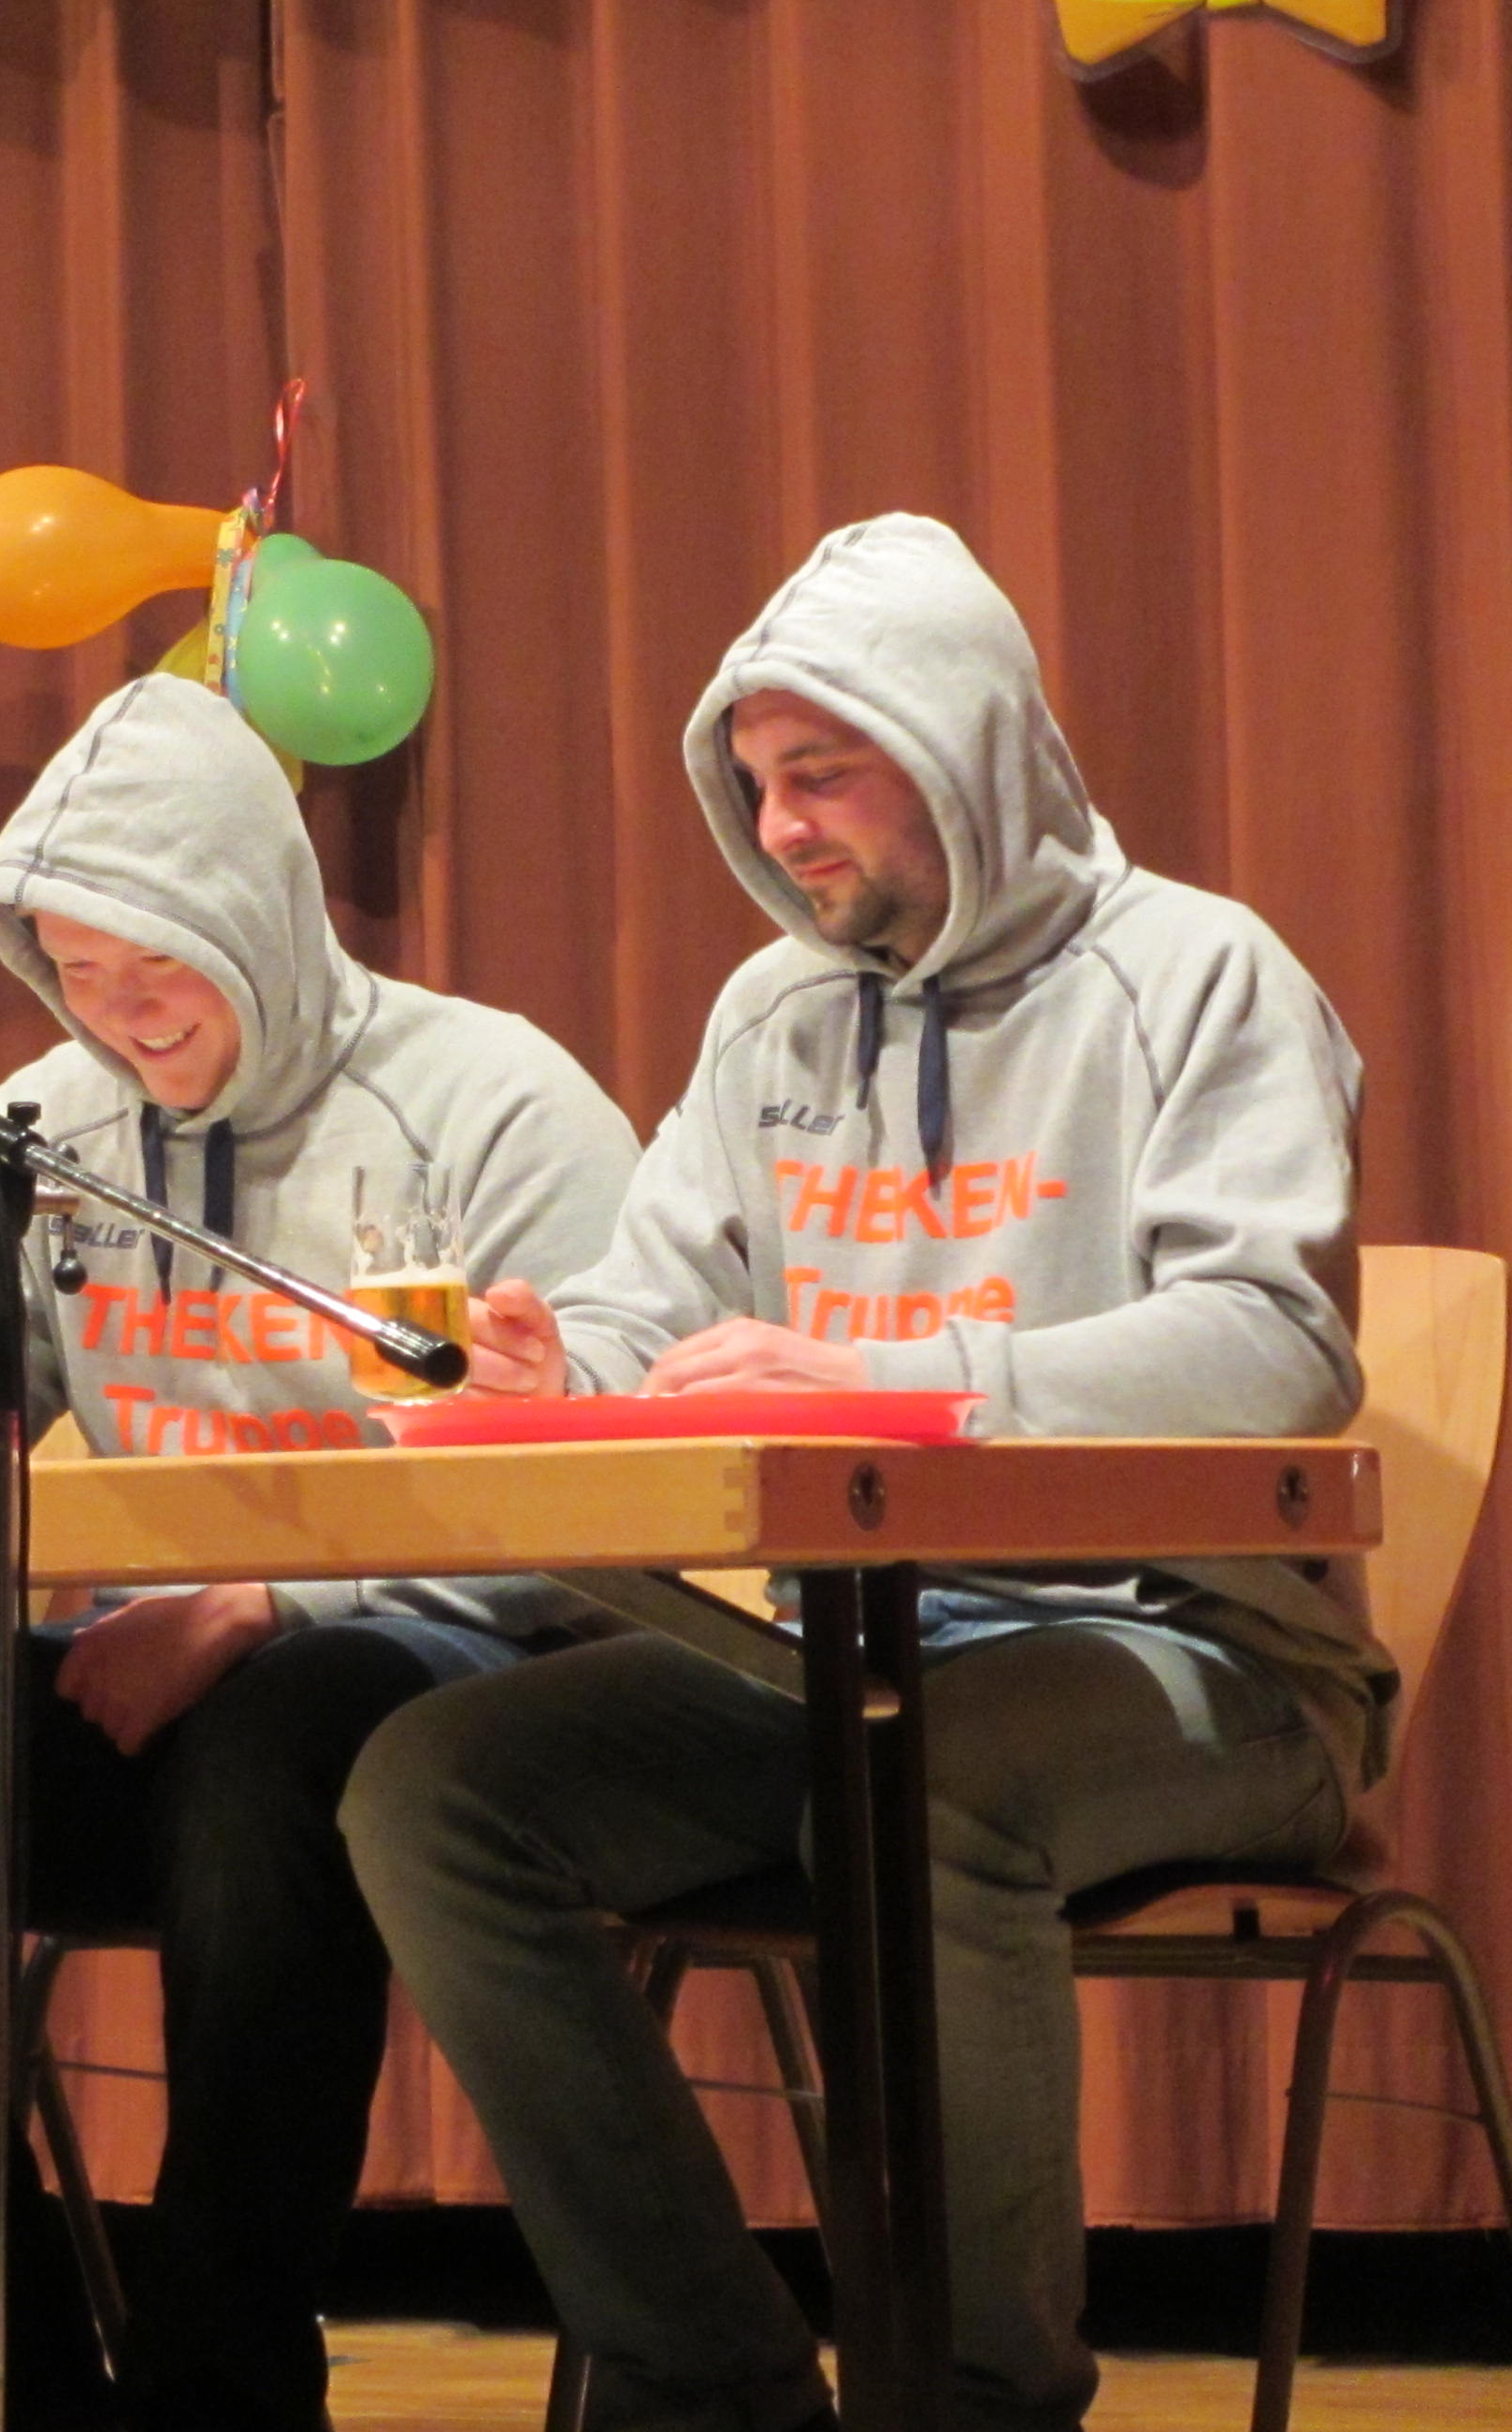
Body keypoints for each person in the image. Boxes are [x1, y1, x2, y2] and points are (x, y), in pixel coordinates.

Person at [338, 513, 1393, 2432]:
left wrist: (894, 1378)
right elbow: (651, 1313)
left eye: (820, 773)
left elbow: (1274, 1345)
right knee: (438, 1786)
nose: (778, 825)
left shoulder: (1195, 975)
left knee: (919, 1787)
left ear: (962, 745)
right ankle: (709, 2383)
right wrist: (552, 1365)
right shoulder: (771, 1015)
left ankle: (970, 2401)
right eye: (754, 782)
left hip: (1207, 1649)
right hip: (839, 1646)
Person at [0, 674, 640, 2432]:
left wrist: (268, 1597)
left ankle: (222, 2388)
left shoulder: (494, 1097)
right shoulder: (47, 1127)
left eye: (161, 969)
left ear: (259, 922)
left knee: (277, 1733)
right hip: (153, 1670)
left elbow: (597, 1485)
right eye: (78, 976)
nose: (121, 1018)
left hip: (436, 1661)